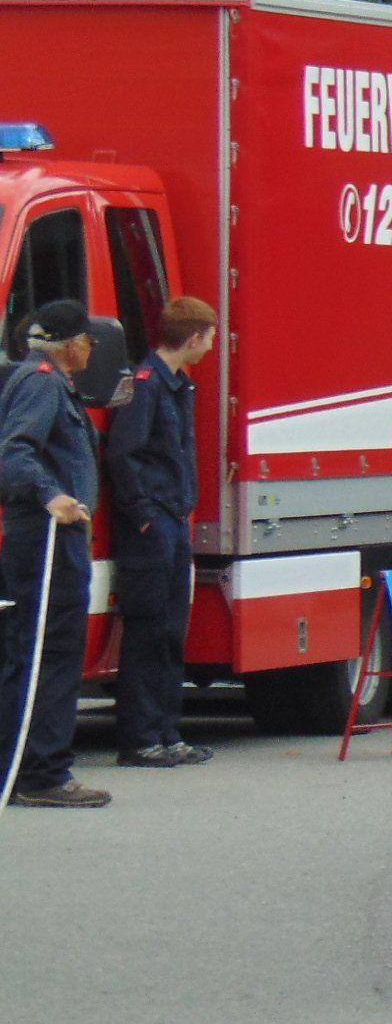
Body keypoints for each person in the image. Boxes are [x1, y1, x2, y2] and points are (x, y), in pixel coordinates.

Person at [0, 302, 107, 806]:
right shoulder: (42, 383)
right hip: (47, 535)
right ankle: (43, 774)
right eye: (89, 340)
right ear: (72, 343)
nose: (91, 349)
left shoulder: (46, 381)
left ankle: (22, 768)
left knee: (37, 651)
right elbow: (14, 452)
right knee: (50, 652)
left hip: (51, 535)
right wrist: (51, 495)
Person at [107, 296, 219, 767]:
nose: (211, 346)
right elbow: (122, 453)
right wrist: (144, 516)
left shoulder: (176, 385)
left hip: (171, 520)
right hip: (153, 527)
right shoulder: (146, 385)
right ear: (192, 338)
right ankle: (140, 738)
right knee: (148, 630)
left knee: (171, 632)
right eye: (209, 338)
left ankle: (167, 733)